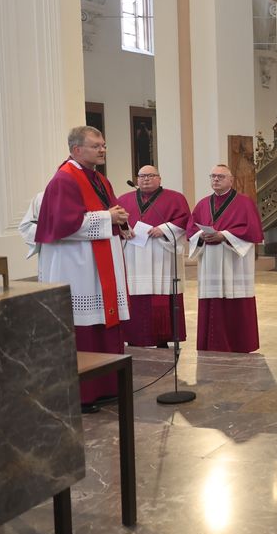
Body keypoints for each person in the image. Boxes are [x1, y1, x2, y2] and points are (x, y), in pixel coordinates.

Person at [35, 126, 129, 410]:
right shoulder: (64, 179)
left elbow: (110, 211)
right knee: (84, 326)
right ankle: (82, 394)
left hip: (98, 262)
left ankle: (107, 385)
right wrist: (108, 217)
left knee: (102, 322)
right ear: (77, 150)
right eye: (96, 146)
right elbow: (64, 224)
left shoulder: (98, 178)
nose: (102, 150)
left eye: (103, 145)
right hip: (76, 264)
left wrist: (120, 220)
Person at [187, 164, 264, 353]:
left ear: (231, 180)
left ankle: (239, 344)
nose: (216, 179)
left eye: (220, 176)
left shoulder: (245, 203)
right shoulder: (203, 204)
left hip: (234, 261)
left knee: (234, 301)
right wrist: (201, 236)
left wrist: (224, 235)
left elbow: (252, 230)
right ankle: (212, 344)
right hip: (210, 260)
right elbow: (191, 229)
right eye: (213, 176)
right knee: (212, 300)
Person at [116, 166, 190, 348]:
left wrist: (163, 229)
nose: (146, 179)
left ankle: (161, 338)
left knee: (160, 295)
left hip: (161, 255)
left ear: (159, 178)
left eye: (150, 175)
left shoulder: (175, 198)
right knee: (134, 297)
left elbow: (184, 220)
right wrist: (124, 230)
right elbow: (116, 222)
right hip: (133, 255)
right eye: (142, 176)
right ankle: (134, 337)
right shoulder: (123, 199)